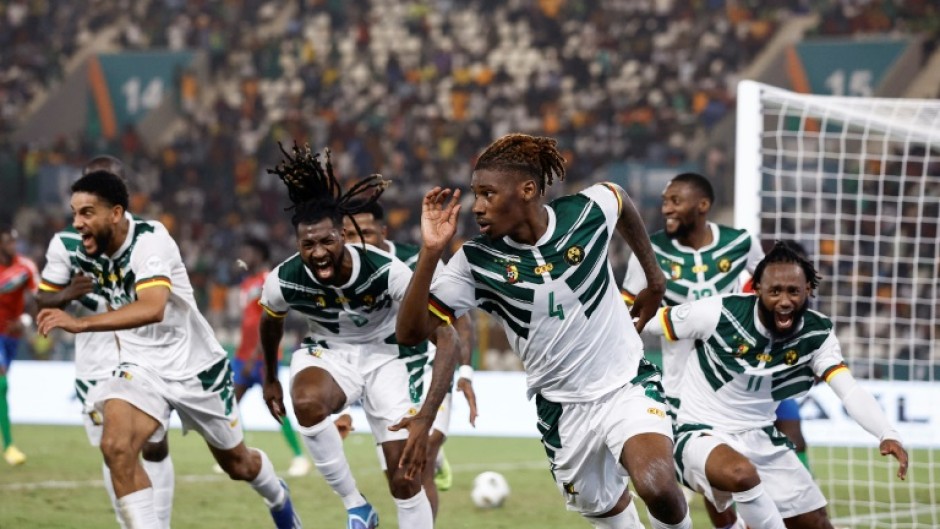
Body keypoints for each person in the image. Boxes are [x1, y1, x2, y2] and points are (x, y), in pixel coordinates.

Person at [396, 133, 691, 529]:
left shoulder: (584, 213)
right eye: (475, 195)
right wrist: (431, 253)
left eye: (488, 194)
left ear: (528, 190)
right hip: (562, 410)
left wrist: (654, 280)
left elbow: (619, 198)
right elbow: (412, 333)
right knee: (610, 512)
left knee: (661, 491)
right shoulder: (475, 261)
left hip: (626, 384)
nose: (477, 207)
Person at [36, 169, 300, 529]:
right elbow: (52, 294)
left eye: (86, 213)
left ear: (115, 213)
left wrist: (80, 324)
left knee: (239, 465)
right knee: (116, 447)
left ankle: (278, 498)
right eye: (74, 213)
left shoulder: (150, 240)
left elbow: (152, 307)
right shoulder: (90, 248)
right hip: (140, 369)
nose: (77, 223)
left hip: (196, 369)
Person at [259, 144, 459, 529]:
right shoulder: (284, 278)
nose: (318, 253)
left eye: (327, 241)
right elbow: (271, 322)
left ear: (343, 237)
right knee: (306, 401)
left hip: (387, 359)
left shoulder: (387, 272)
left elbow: (449, 339)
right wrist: (270, 378)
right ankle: (356, 506)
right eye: (307, 245)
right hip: (330, 354)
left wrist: (427, 416)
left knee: (405, 479)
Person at [644, 241, 909, 528]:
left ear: (808, 290)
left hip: (762, 438)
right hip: (698, 434)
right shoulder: (719, 313)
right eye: (775, 291)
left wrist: (886, 433)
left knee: (817, 523)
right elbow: (644, 321)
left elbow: (849, 389)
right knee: (740, 473)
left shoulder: (817, 333)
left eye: (794, 291)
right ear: (757, 288)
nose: (784, 301)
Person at [35, 155, 176, 528]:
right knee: (114, 451)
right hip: (95, 359)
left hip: (148, 352)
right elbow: (42, 298)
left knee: (154, 444)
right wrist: (66, 294)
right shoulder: (66, 243)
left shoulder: (150, 238)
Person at [620, 172, 763, 529]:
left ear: (702, 206)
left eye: (675, 201)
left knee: (751, 466)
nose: (665, 208)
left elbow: (772, 289)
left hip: (741, 381)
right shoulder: (649, 250)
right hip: (681, 384)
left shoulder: (741, 242)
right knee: (709, 474)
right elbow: (625, 314)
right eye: (665, 201)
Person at [342, 200, 478, 518]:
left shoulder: (417, 259)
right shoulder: (341, 272)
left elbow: (459, 318)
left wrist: (466, 371)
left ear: (384, 232)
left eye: (367, 233)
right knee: (399, 475)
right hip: (381, 374)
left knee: (421, 459)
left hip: (428, 365)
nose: (359, 243)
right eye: (349, 235)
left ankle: (434, 456)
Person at [232, 237, 312, 478]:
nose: (244, 255)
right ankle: (238, 454)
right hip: (242, 354)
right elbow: (247, 321)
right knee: (230, 406)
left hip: (262, 355)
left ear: (260, 254)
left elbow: (270, 320)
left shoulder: (268, 279)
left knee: (275, 405)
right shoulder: (247, 283)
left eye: (249, 251)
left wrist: (256, 354)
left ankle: (299, 457)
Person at [0, 223, 37, 466]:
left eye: (14, 241)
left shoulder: (25, 268)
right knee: (1, 381)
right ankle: (9, 446)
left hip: (12, 336)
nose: (12, 245)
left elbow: (38, 297)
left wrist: (26, 319)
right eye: (8, 241)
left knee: (2, 384)